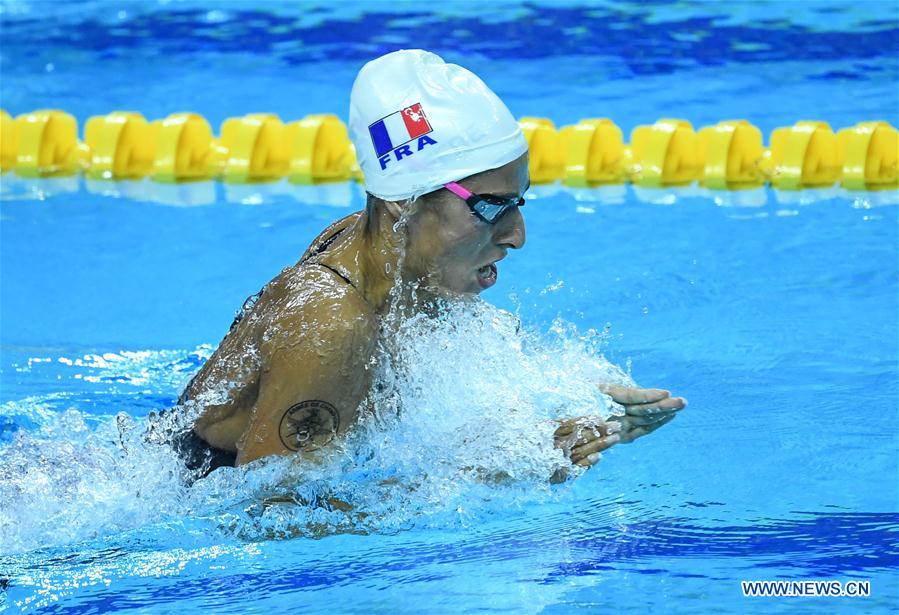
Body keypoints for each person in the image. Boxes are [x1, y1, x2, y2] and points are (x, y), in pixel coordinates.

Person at [169, 49, 686, 479]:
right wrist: (494, 476)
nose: (516, 236)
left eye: (519, 202)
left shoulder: (382, 250)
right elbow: (263, 516)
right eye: (489, 206)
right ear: (403, 202)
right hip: (179, 498)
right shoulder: (332, 321)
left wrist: (572, 409)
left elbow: (428, 376)